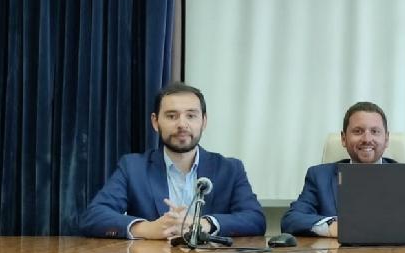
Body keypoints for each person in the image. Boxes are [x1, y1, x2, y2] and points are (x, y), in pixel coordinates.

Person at [79, 82, 266, 239]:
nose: (182, 124)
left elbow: (255, 219)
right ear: (155, 122)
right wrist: (147, 229)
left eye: (191, 115)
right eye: (171, 116)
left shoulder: (230, 169)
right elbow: (94, 216)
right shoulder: (133, 167)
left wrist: (202, 223)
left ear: (204, 121)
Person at [281, 102, 396, 237]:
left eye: (375, 131)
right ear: (343, 138)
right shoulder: (319, 177)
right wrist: (331, 226)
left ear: (386, 139)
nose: (367, 139)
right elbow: (291, 219)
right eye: (358, 131)